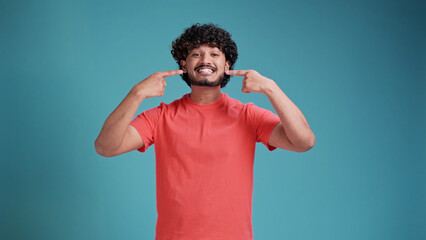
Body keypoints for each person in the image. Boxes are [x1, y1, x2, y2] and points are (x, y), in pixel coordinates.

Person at [94, 23, 315, 240]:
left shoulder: (248, 115)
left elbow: (303, 141)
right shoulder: (160, 117)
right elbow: (106, 147)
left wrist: (271, 88)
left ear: (227, 65)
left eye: (214, 54)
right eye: (196, 54)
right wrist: (137, 93)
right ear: (184, 64)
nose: (206, 60)